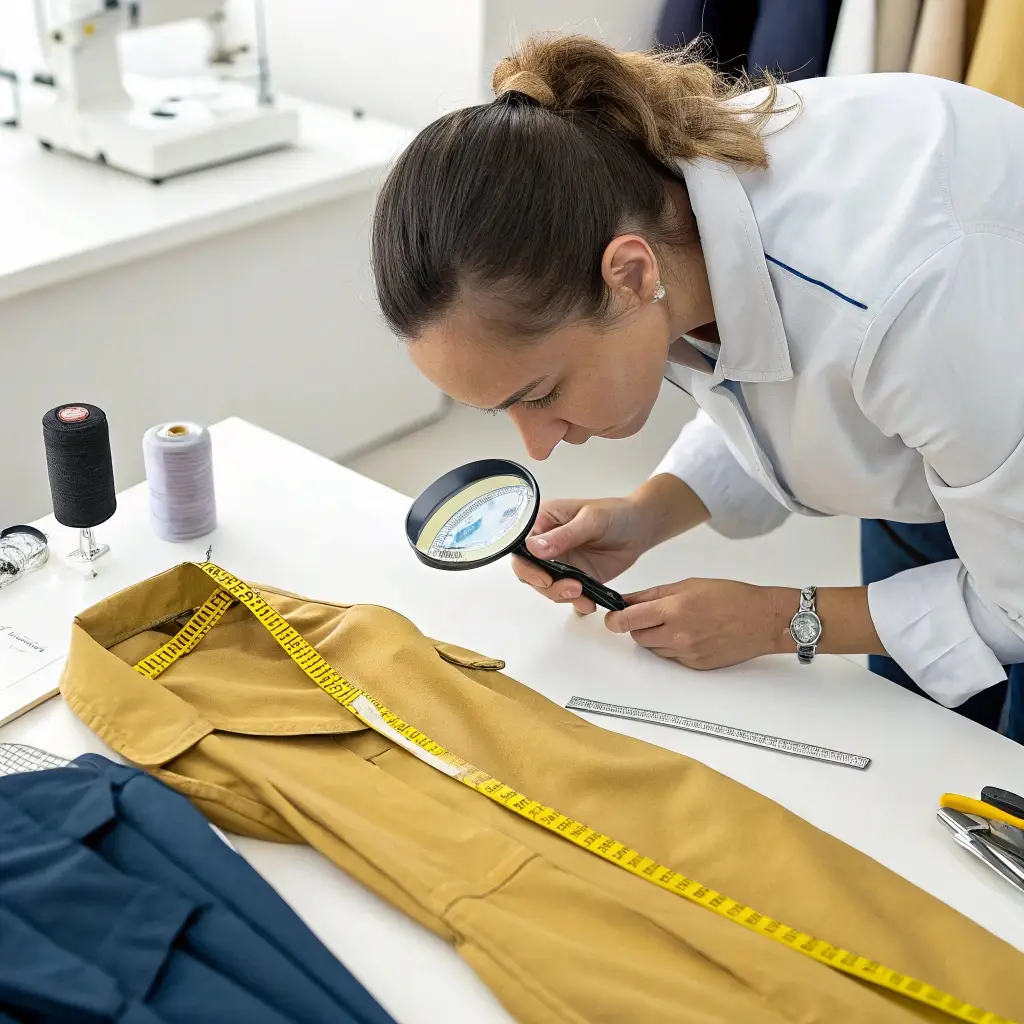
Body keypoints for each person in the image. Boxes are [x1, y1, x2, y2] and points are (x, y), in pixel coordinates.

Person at [370, 35, 1024, 743]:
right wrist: (646, 514)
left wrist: (780, 619)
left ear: (629, 276)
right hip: (953, 458)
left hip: (980, 390)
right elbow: (775, 379)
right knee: (924, 745)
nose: (539, 445)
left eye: (542, 392)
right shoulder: (650, 208)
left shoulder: (912, 303)